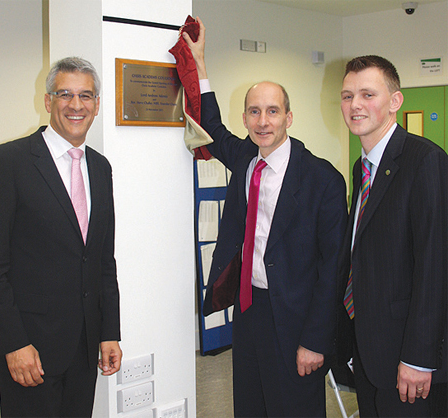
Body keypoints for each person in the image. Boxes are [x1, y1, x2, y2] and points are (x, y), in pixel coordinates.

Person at [183, 18, 347, 417]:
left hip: (296, 318)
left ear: (289, 118)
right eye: (254, 112)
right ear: (246, 119)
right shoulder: (244, 160)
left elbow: (334, 269)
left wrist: (316, 339)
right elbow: (210, 126)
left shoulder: (322, 179)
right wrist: (200, 63)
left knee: (294, 409)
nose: (263, 121)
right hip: (249, 310)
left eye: (273, 111)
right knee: (251, 406)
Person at [0, 57, 122, 417]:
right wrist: (13, 343)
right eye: (65, 94)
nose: (76, 105)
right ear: (48, 101)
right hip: (30, 350)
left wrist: (109, 331)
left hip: (85, 349)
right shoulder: (7, 162)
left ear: (97, 104)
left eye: (86, 95)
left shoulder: (100, 168)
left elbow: (102, 260)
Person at [337, 55, 447, 417]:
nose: (355, 105)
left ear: (395, 102)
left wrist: (419, 357)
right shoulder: (362, 166)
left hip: (408, 359)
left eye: (368, 94)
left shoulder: (425, 161)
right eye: (347, 95)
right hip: (369, 351)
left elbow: (435, 267)